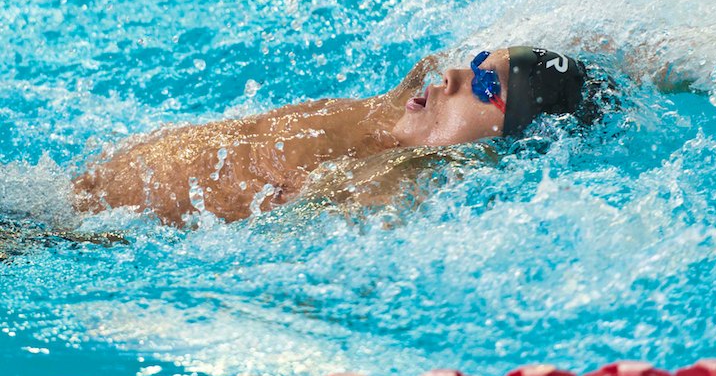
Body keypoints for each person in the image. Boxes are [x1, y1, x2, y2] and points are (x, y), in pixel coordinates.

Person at [73, 46, 598, 225]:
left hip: (84, 235)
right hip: (77, 186)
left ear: (511, 137)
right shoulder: (405, 104)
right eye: (478, 61)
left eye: (485, 85)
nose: (455, 75)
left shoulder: (398, 178)